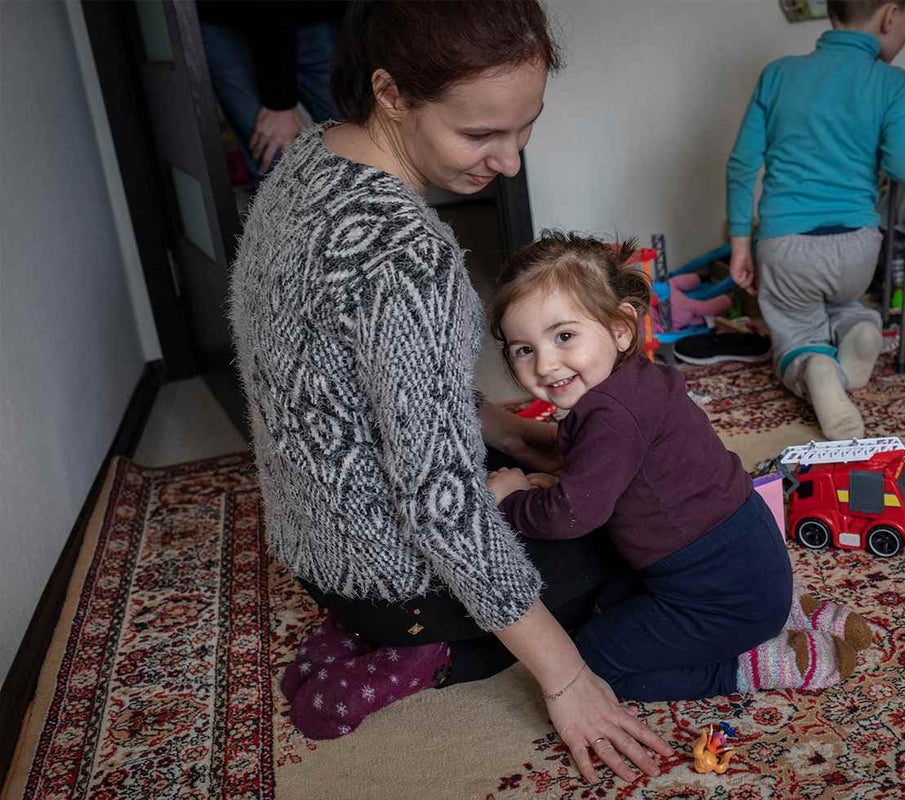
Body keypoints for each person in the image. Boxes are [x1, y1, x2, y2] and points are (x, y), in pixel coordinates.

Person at [227, 1, 671, 783]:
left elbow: (352, 384)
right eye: (480, 135)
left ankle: (366, 629)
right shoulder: (411, 261)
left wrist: (506, 427)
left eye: (524, 126)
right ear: (392, 93)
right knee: (635, 523)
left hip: (312, 547)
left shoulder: (302, 162)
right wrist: (566, 681)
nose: (508, 160)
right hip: (398, 579)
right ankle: (427, 653)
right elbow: (442, 508)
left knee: (562, 470)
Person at [488, 232, 875, 702]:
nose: (546, 365)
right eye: (523, 349)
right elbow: (599, 468)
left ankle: (745, 665)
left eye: (564, 336)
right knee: (613, 607)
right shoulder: (640, 381)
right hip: (751, 563)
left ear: (620, 329)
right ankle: (785, 609)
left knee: (590, 662)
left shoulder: (610, 414)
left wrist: (512, 501)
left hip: (720, 593)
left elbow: (573, 515)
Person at [725, 0, 905, 440]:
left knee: (795, 323)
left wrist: (741, 243)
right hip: (857, 246)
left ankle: (813, 364)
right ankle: (859, 328)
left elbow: (742, 165)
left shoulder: (779, 74)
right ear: (889, 16)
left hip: (787, 246)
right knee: (841, 302)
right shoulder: (892, 81)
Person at [198, 1, 344, 183]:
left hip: (310, 18)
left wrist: (280, 103)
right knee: (275, 155)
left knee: (352, 136)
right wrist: (280, 104)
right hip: (219, 20)